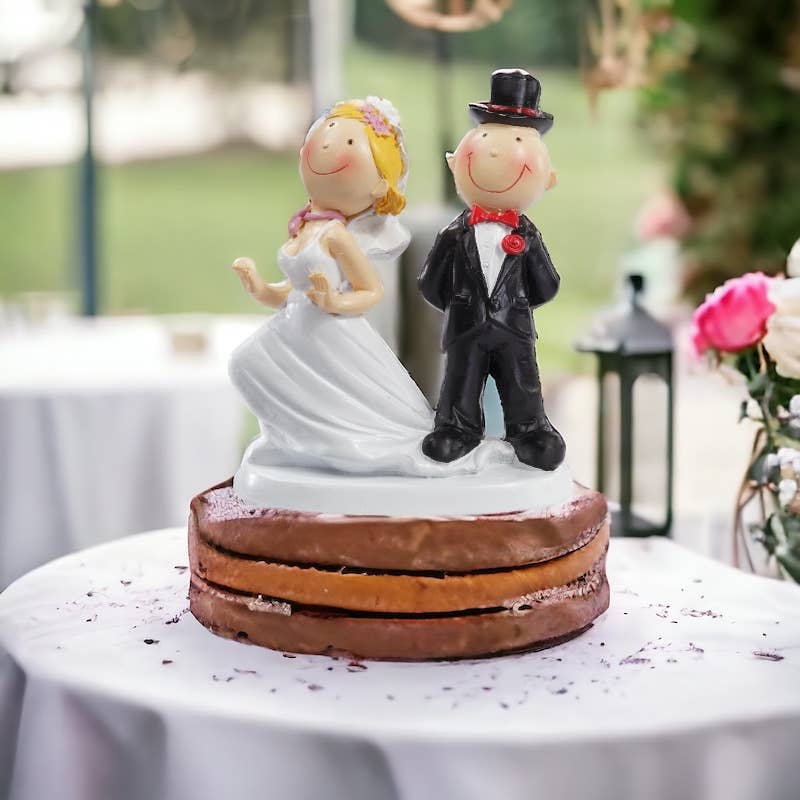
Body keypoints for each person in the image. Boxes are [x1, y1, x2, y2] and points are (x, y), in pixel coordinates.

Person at [229, 97, 513, 476]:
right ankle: (293, 439)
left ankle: (324, 445)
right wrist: (257, 285)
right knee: (247, 365)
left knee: (273, 374)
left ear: (379, 185)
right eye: (326, 134)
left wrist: (333, 300)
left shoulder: (337, 236)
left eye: (347, 142)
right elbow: (287, 293)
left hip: (326, 332)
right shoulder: (306, 227)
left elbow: (371, 291)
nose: (328, 146)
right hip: (296, 327)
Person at [418, 69, 566, 471]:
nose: (496, 154)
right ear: (455, 163)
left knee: (522, 382)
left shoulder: (527, 236)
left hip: (514, 328)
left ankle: (530, 430)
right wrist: (461, 303)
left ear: (547, 179)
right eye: (484, 137)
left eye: (518, 142)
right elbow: (431, 283)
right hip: (466, 326)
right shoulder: (455, 234)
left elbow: (547, 285)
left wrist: (515, 303)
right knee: (460, 381)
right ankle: (456, 428)